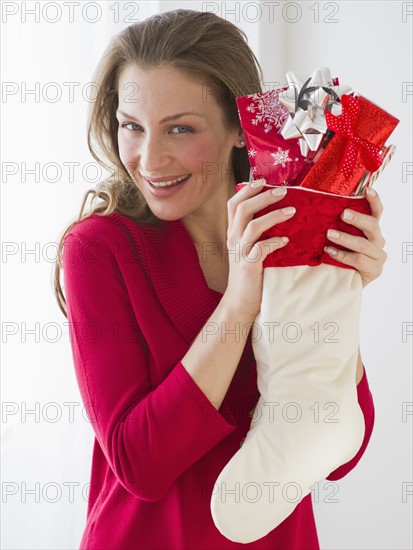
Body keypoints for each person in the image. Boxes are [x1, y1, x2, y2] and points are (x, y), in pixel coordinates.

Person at [54, 9, 384, 549]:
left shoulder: (292, 226)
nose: (148, 158)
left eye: (180, 128)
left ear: (239, 126)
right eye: (132, 126)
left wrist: (334, 298)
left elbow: (340, 447)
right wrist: (239, 303)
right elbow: (141, 464)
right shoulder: (99, 249)